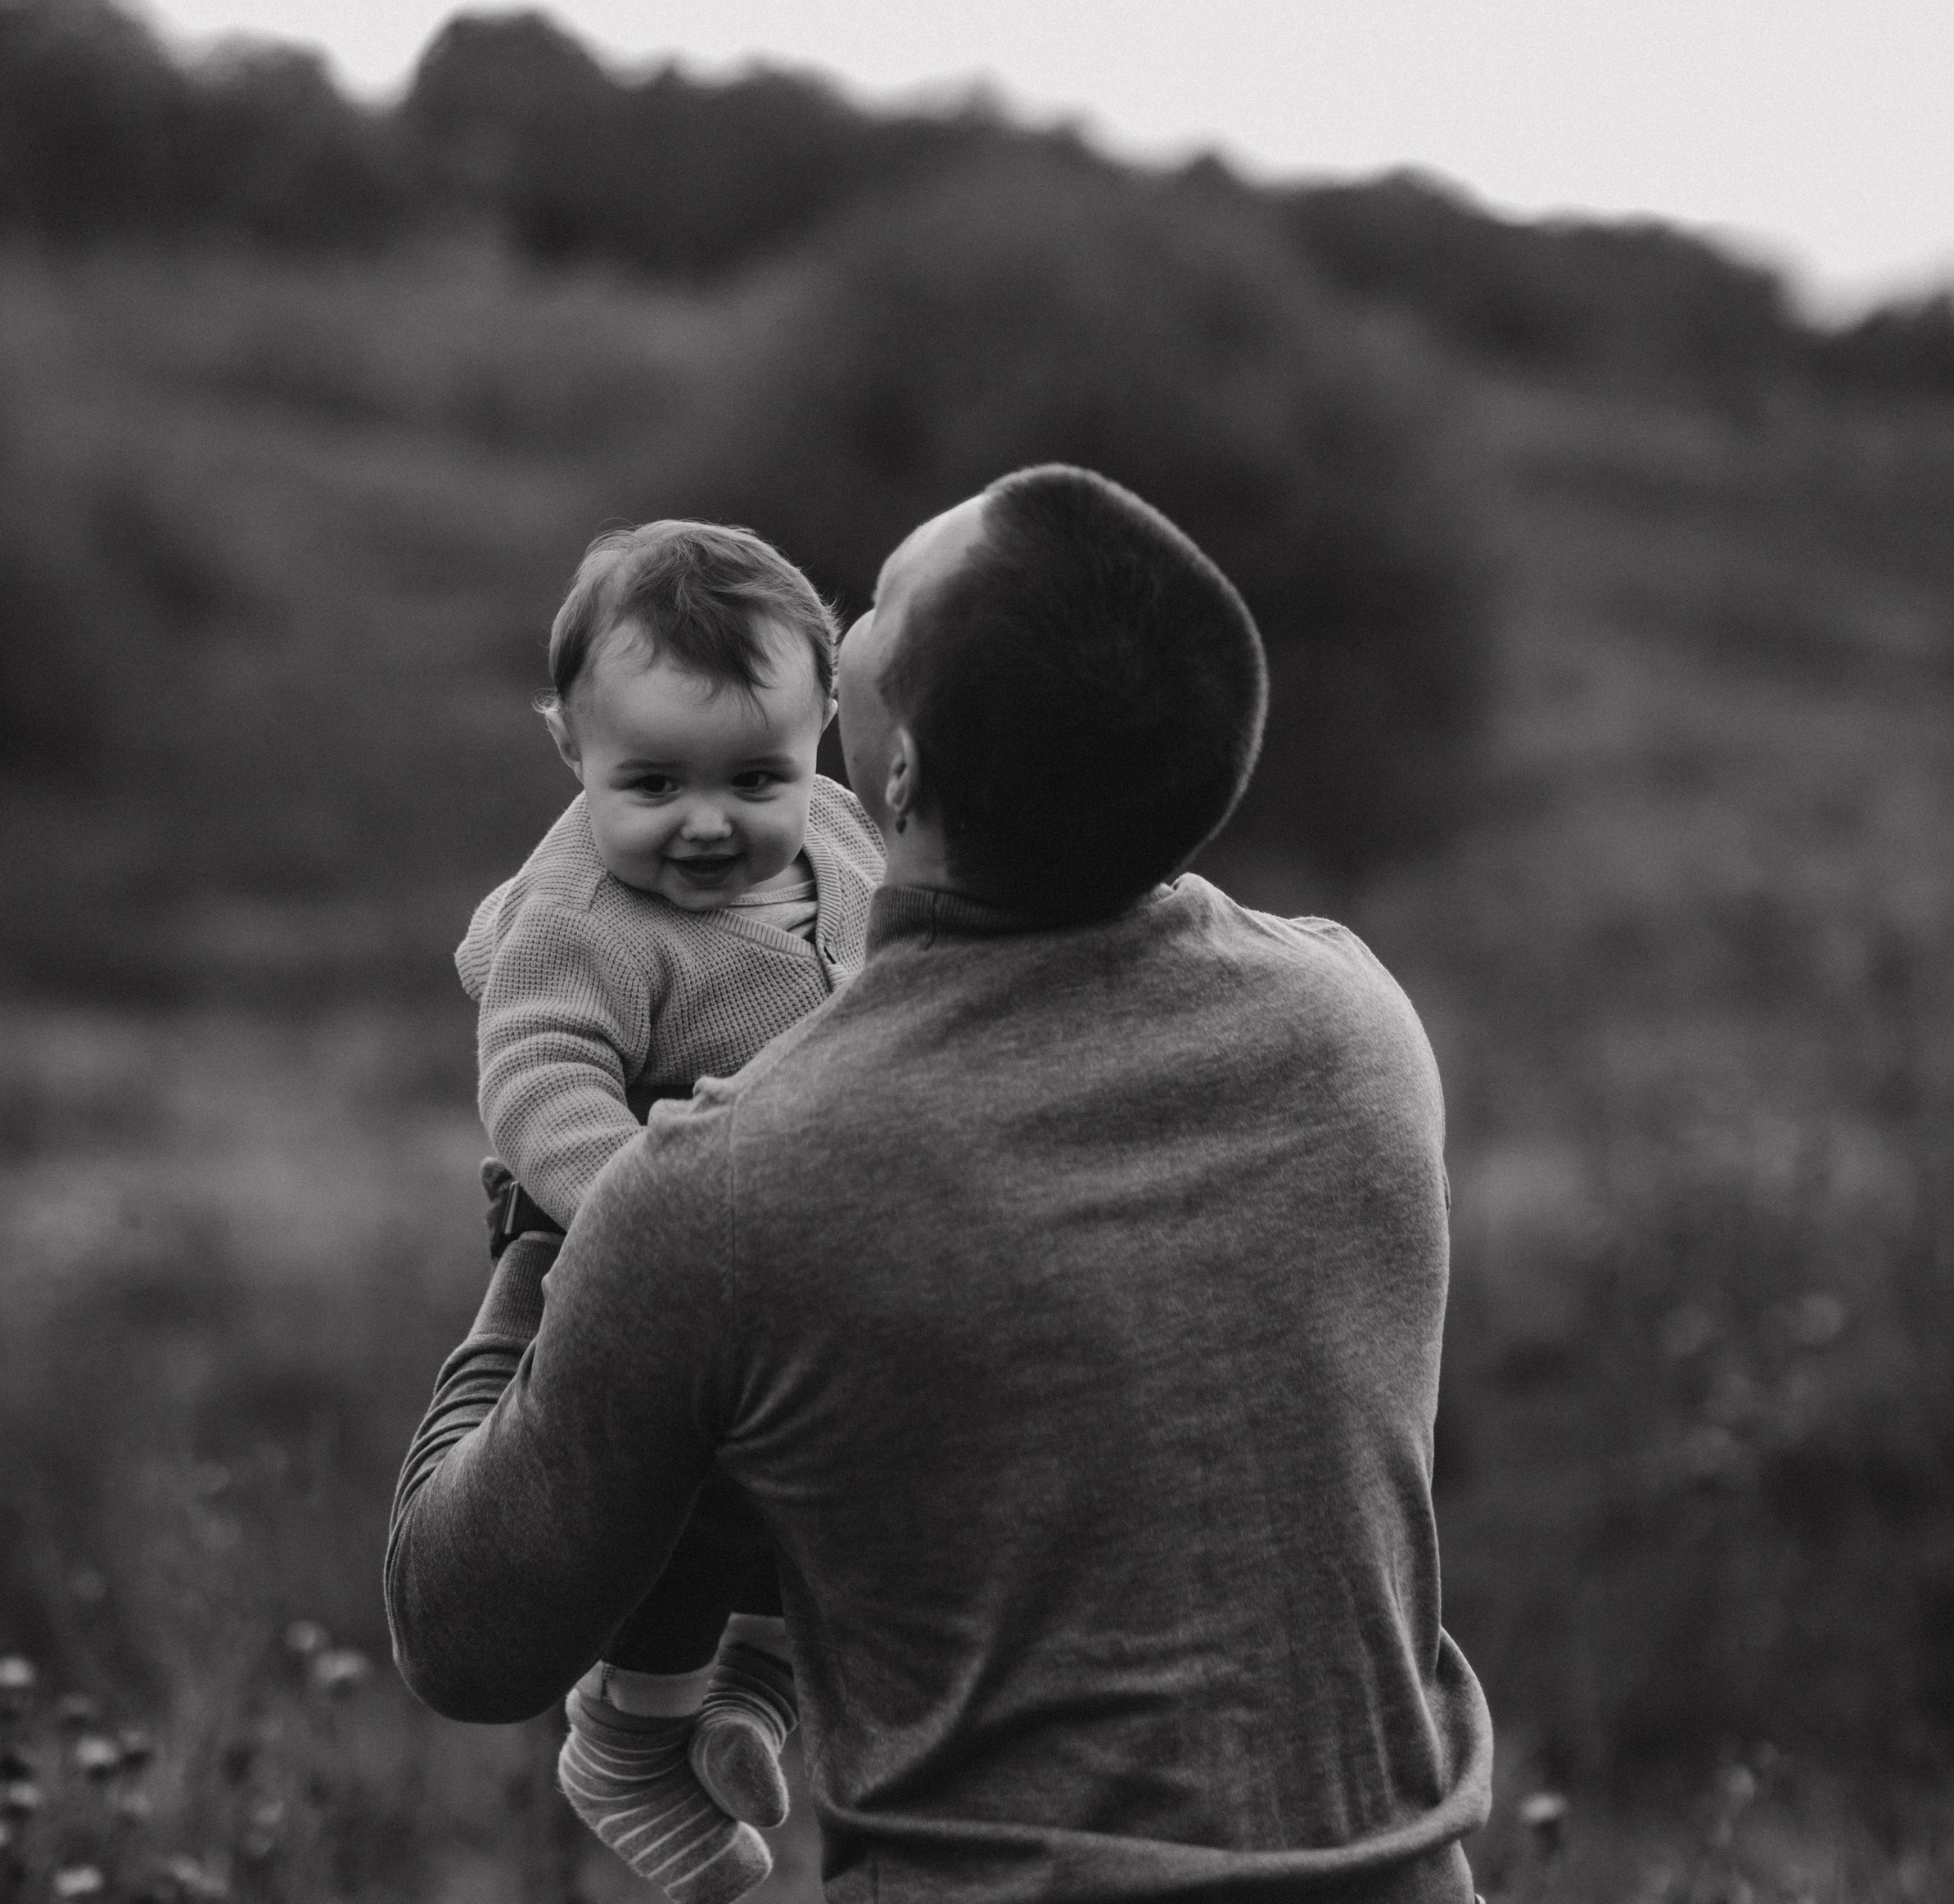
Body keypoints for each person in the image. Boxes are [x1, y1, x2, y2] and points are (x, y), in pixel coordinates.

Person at [391, 464, 1493, 1904]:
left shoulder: (733, 1184)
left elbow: (464, 1637)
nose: (843, 613)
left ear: (891, 776)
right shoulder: (1360, 1028)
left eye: (883, 605)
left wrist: (548, 1244)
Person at [457, 517, 884, 1893]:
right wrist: (648, 1206)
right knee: (696, 1485)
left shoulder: (833, 831)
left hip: (802, 1234)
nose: (708, 822)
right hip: (626, 1242)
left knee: (838, 1462)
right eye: (652, 783)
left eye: (756, 773)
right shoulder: (589, 916)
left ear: (827, 731)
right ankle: (632, 1737)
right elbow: (538, 1082)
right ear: (571, 753)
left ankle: (754, 1692)